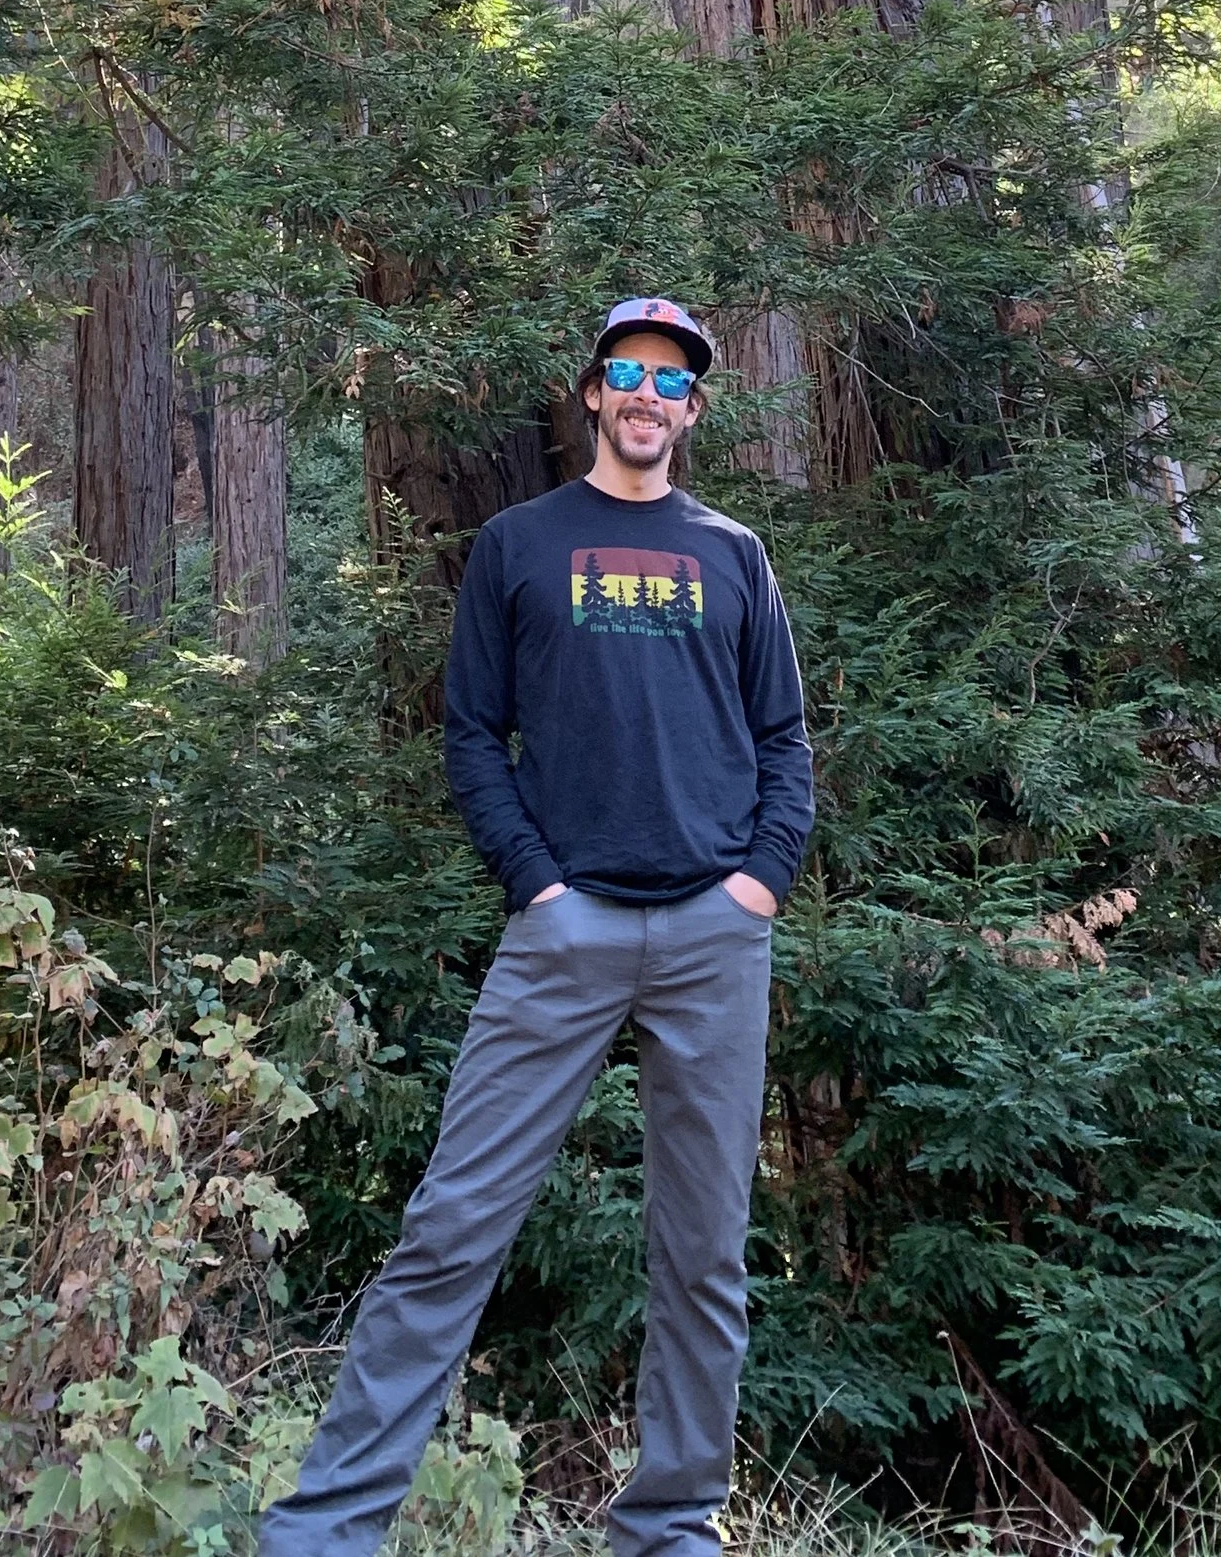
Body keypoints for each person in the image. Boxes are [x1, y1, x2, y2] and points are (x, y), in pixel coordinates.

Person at [259, 295, 815, 1557]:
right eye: (627, 372)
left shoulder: (733, 554)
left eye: (670, 381)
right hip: (566, 933)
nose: (646, 396)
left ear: (692, 410)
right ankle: (325, 1530)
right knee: (452, 1226)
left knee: (703, 1256)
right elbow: (470, 732)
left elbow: (783, 740)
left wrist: (759, 883)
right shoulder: (520, 544)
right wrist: (535, 884)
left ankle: (671, 1528)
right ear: (592, 393)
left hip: (714, 934)